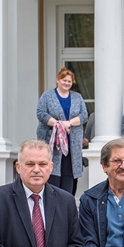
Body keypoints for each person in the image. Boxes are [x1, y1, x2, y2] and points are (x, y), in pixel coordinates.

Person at [36, 67, 88, 195]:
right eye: (64, 80)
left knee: (69, 176)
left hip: (72, 145)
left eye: (69, 81)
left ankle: (67, 203)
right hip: (53, 143)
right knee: (53, 175)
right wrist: (58, 125)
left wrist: (68, 123)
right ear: (58, 80)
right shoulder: (47, 96)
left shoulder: (77, 97)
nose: (67, 83)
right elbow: (41, 113)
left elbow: (84, 115)